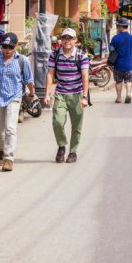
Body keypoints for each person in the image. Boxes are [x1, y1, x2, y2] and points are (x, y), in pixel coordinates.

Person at [0, 33, 35, 172]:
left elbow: (29, 80)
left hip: (14, 97)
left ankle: (8, 158)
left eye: (10, 47)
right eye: (4, 47)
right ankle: (2, 150)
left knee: (10, 128)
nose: (7, 50)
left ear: (15, 46)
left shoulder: (22, 61)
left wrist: (31, 94)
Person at [45, 28, 90, 163]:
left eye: (70, 38)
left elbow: (85, 76)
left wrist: (84, 97)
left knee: (77, 126)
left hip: (76, 94)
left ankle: (73, 151)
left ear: (75, 40)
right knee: (57, 122)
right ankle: (61, 146)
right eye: (65, 38)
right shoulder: (55, 54)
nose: (67, 41)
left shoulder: (81, 56)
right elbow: (50, 74)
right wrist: (47, 94)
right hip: (61, 93)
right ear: (61, 40)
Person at [110, 18, 132, 103]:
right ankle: (128, 94)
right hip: (129, 64)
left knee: (118, 81)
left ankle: (119, 98)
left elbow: (111, 50)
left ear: (121, 26)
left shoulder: (115, 38)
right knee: (128, 80)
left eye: (118, 26)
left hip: (118, 65)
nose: (117, 27)